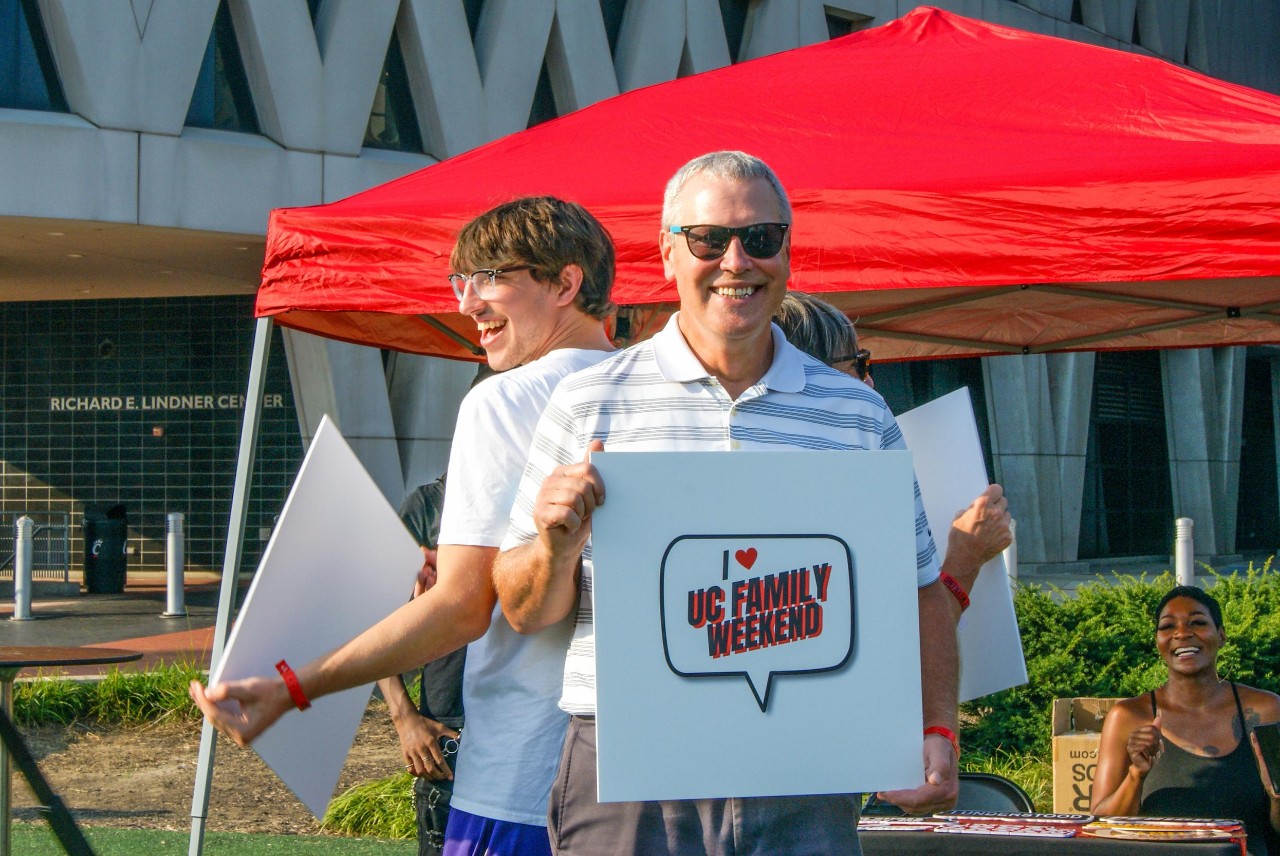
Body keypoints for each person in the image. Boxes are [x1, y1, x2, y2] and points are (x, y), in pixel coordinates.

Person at [492, 151, 966, 855]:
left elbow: (918, 588)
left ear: (787, 255)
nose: (736, 261)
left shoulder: (856, 414)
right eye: (709, 239)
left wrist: (936, 728)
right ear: (667, 254)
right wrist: (555, 546)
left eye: (762, 238)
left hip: (806, 761)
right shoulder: (590, 401)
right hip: (632, 766)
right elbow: (524, 610)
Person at [191, 195, 618, 856]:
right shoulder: (669, 391)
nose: (467, 304)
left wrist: (292, 687)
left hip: (523, 780)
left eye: (491, 278)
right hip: (647, 792)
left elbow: (459, 611)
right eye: (462, 282)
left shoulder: (504, 399)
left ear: (566, 283)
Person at [773, 290, 1012, 595]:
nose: (870, 381)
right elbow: (911, 629)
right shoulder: (838, 499)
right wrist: (967, 556)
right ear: (812, 376)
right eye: (859, 365)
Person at [1091, 585, 1280, 855]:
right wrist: (1136, 775)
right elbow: (1101, 827)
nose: (1181, 633)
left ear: (1222, 635)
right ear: (1157, 642)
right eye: (1168, 626)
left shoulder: (1266, 709)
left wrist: (1276, 797)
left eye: (1198, 622)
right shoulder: (1128, 717)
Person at [378, 475, 465, 856]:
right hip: (450, 722)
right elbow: (378, 618)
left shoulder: (531, 492)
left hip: (527, 720)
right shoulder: (431, 504)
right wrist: (404, 718)